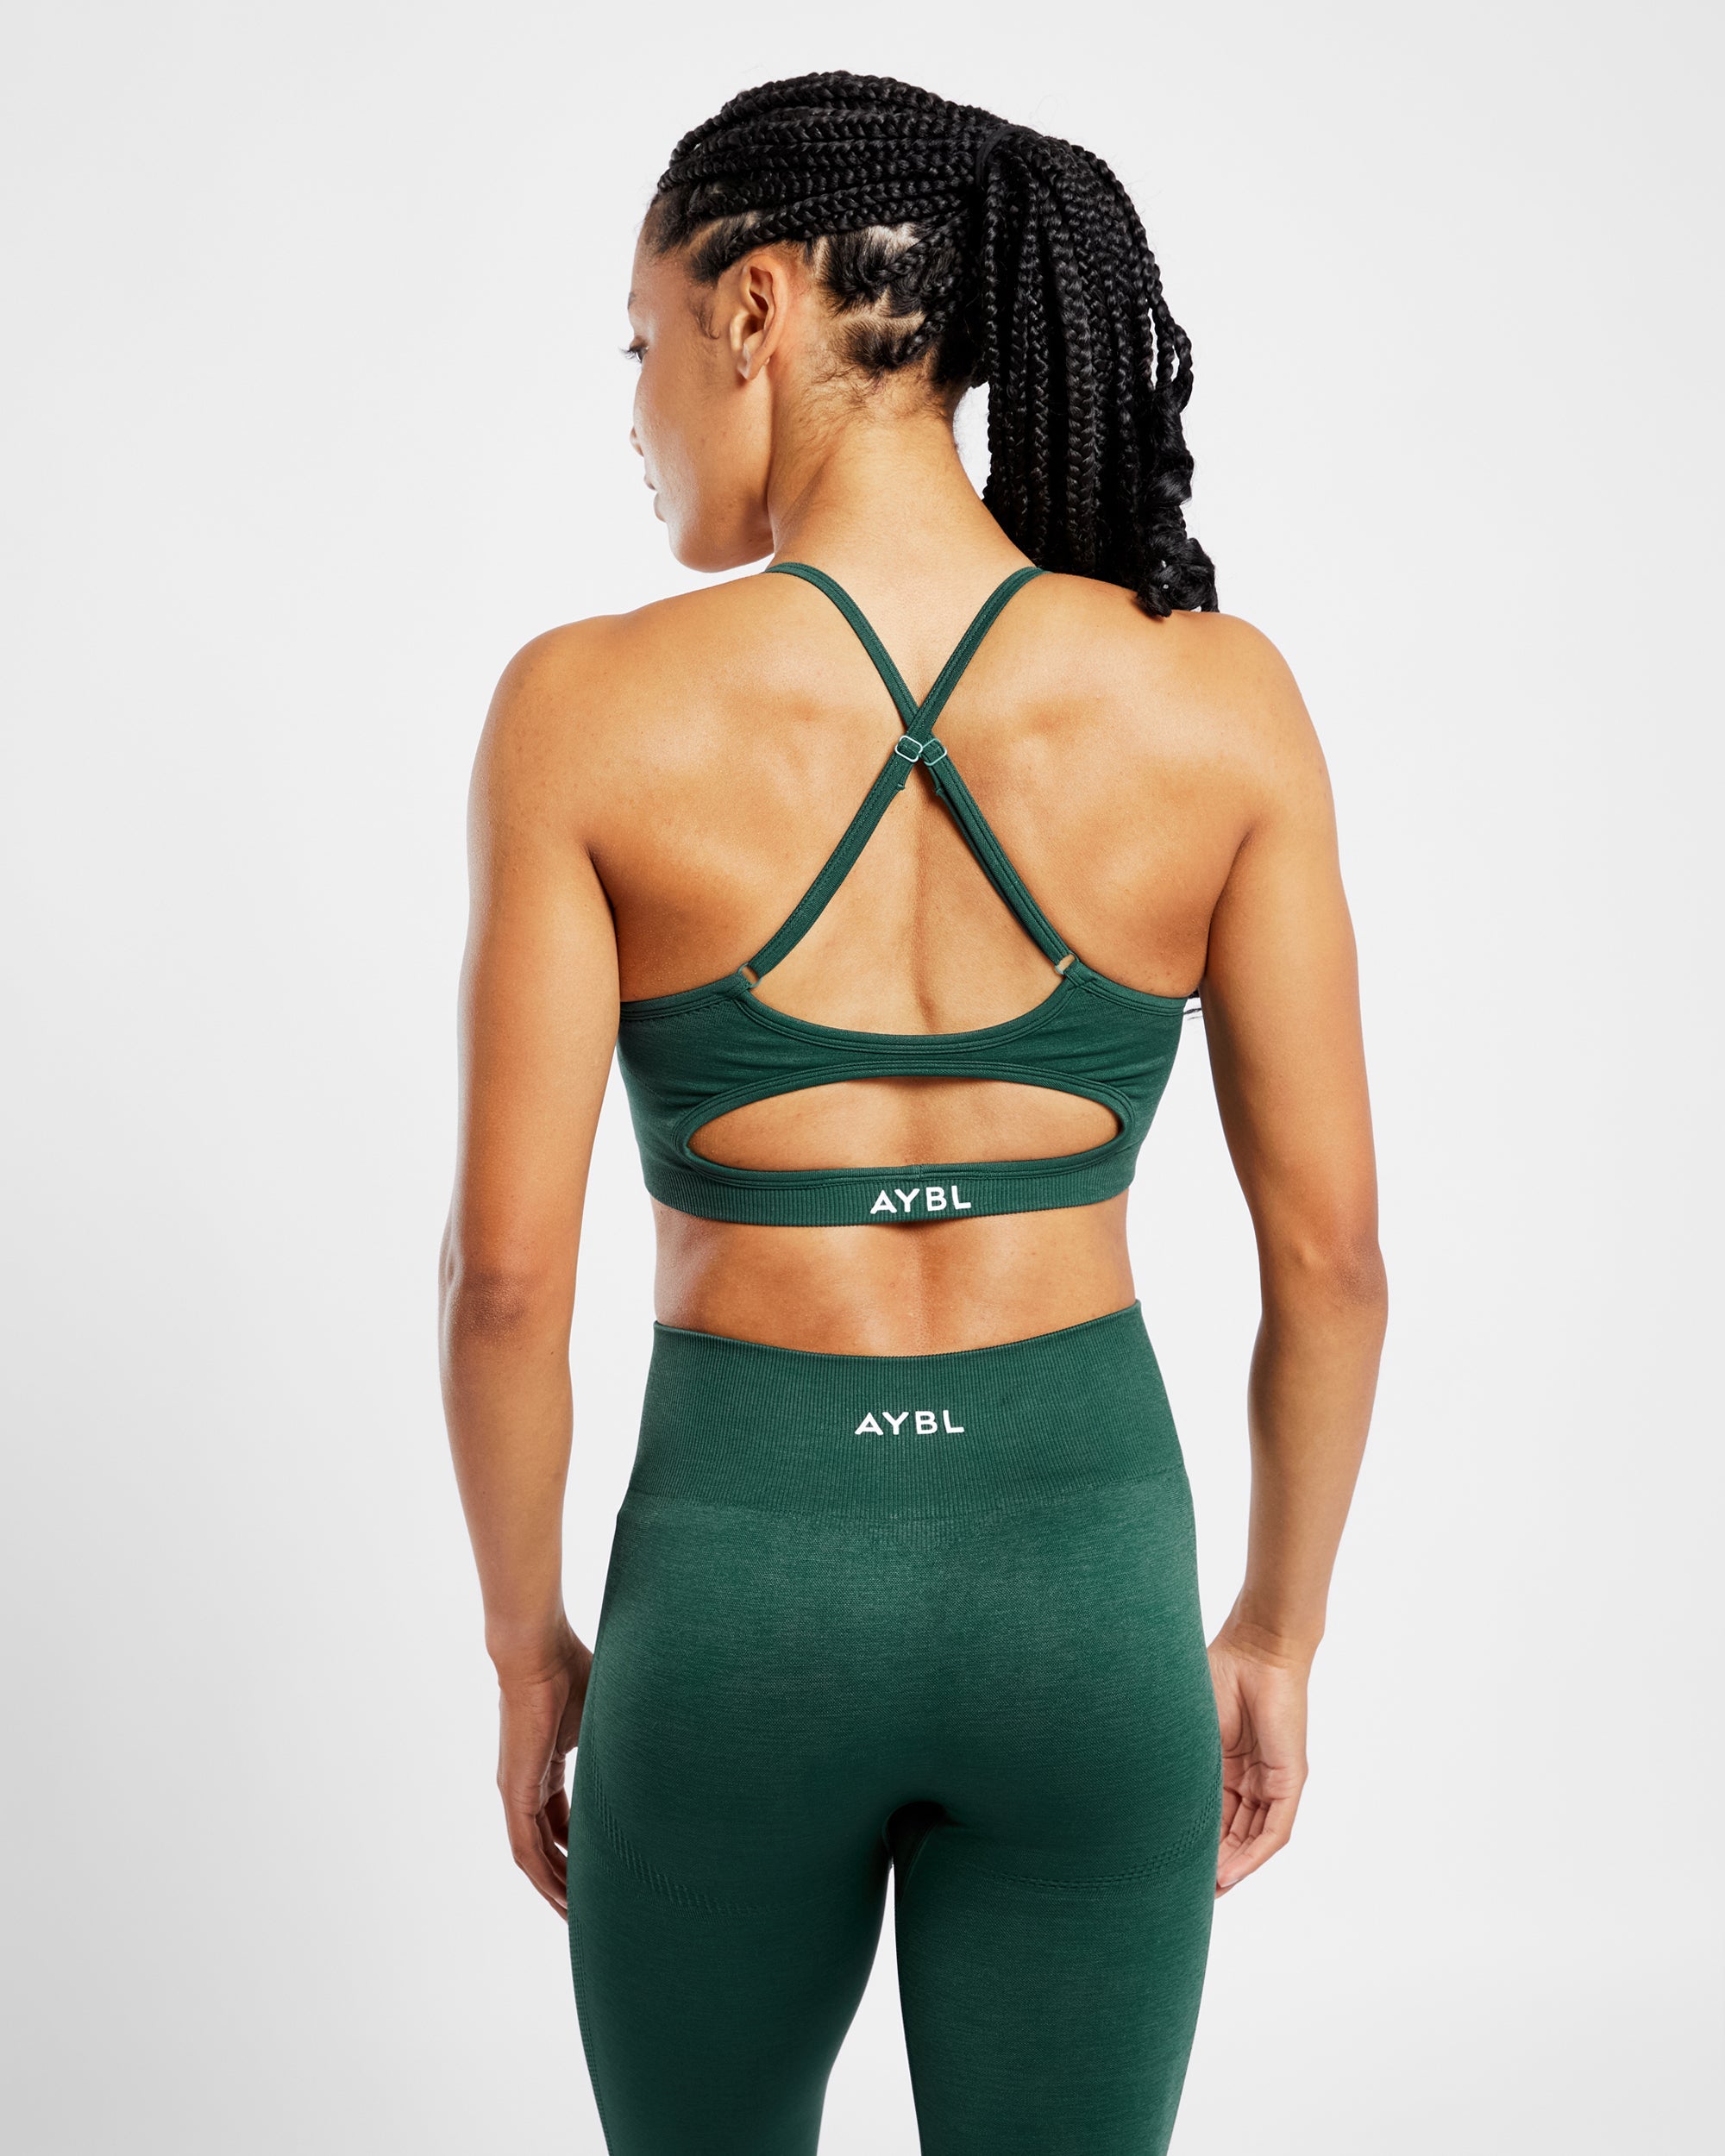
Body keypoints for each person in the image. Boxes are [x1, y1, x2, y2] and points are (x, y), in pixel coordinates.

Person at [440, 70, 1386, 2156]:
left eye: (641, 339)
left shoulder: (581, 712)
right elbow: (1330, 1257)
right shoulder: (1216, 701)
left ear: (754, 307)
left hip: (736, 1602)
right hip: (1085, 1596)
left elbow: (504, 1278)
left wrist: (529, 1654)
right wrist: (1276, 1627)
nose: (634, 409)